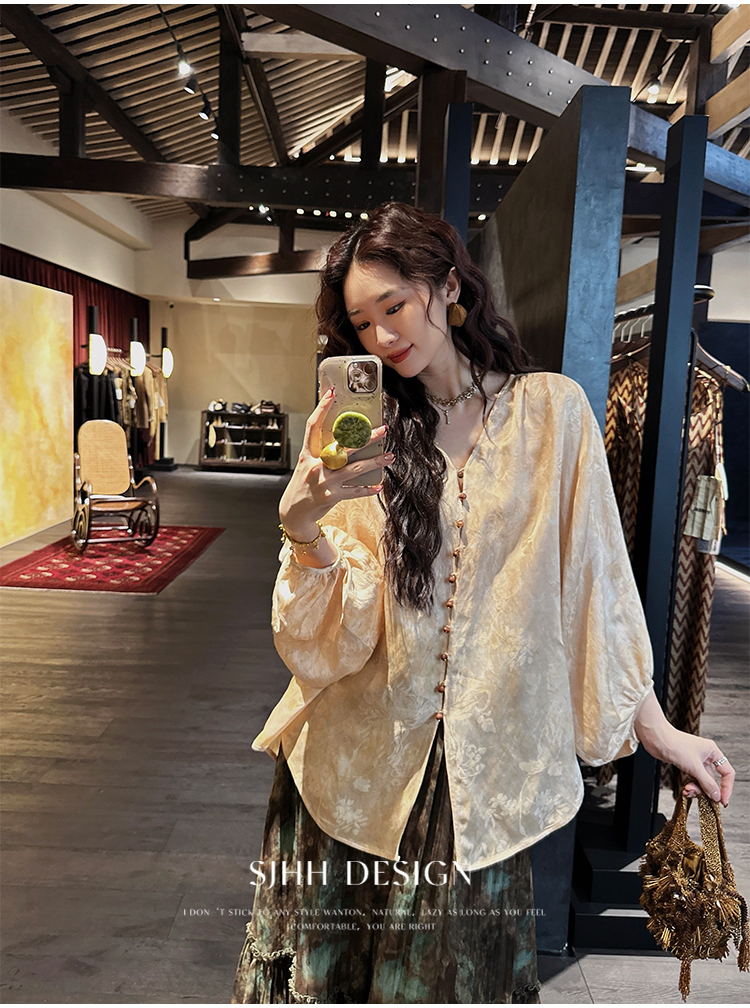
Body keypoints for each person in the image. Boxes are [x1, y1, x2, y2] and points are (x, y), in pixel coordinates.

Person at [231, 202, 735, 1005]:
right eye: (360, 323)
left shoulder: (552, 413)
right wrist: (303, 527)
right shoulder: (360, 432)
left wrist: (661, 732)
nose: (381, 336)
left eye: (394, 306)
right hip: (354, 767)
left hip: (483, 782)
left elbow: (593, 586)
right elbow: (342, 624)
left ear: (447, 285)